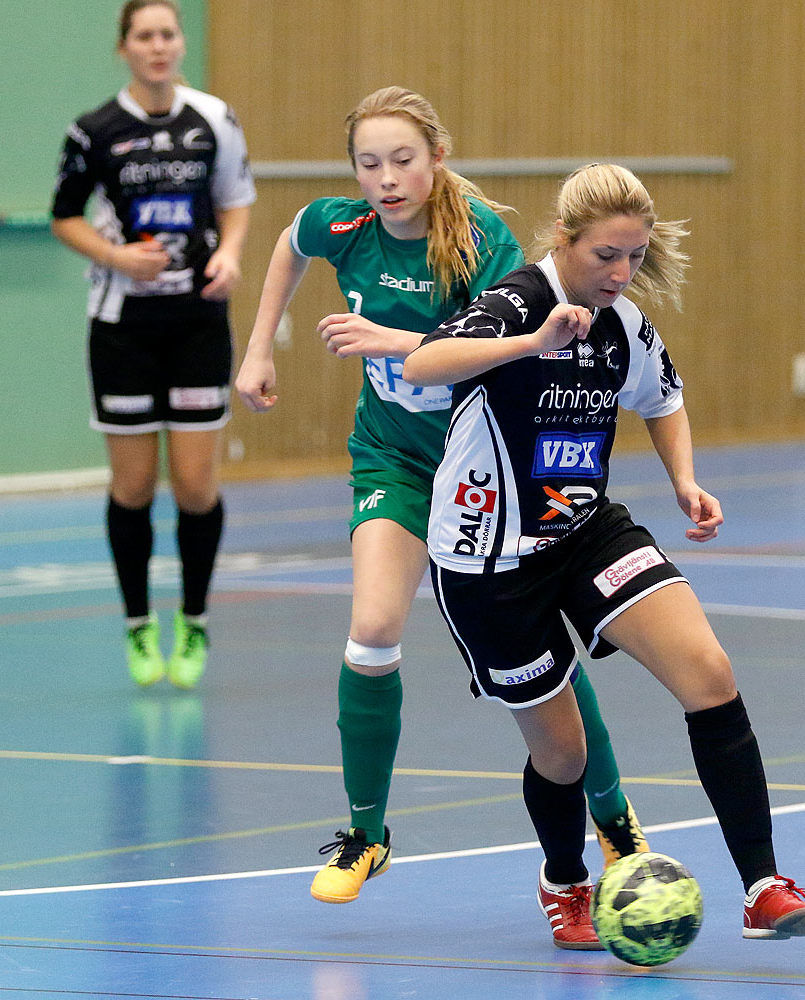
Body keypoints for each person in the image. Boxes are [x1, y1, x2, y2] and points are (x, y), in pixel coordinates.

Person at [234, 89, 648, 906]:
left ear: (437, 158)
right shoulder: (343, 228)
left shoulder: (481, 245)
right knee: (374, 628)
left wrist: (391, 340)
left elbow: (503, 350)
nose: (386, 179)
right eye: (369, 163)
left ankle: (613, 816)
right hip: (392, 459)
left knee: (543, 653)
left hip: (484, 473)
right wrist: (259, 351)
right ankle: (366, 834)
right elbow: (287, 245)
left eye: (402, 160)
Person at [403, 163, 805, 949]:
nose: (621, 273)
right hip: (487, 561)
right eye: (606, 256)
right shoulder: (514, 303)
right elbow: (422, 363)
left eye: (634, 256)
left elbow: (662, 398)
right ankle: (564, 880)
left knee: (710, 674)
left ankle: (763, 886)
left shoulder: (623, 323)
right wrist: (530, 343)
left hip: (586, 532)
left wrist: (685, 480)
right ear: (564, 241)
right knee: (564, 752)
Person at [51, 0, 254, 689]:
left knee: (196, 486)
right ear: (124, 48)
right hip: (123, 328)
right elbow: (63, 217)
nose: (158, 46)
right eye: (145, 36)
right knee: (134, 485)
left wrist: (227, 256)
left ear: (179, 45)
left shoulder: (213, 121)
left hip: (197, 324)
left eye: (168, 34)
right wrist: (114, 255)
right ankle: (139, 627)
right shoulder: (94, 131)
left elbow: (236, 201)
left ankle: (193, 622)